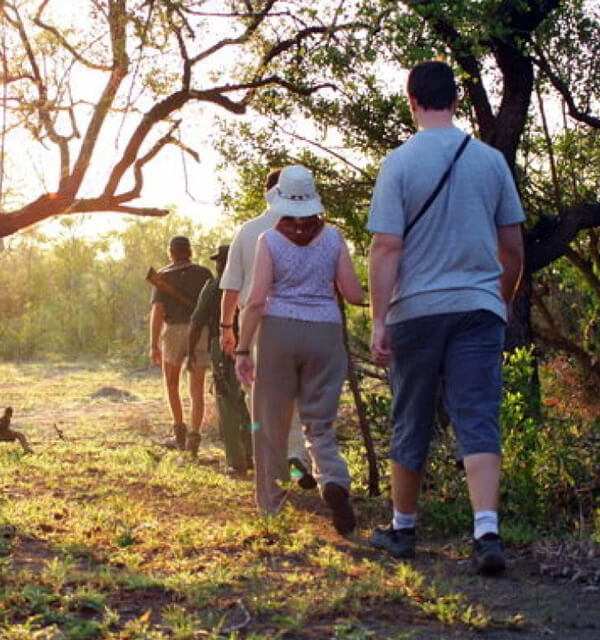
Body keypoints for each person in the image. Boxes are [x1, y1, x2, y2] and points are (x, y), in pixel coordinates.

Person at [367, 60, 525, 574]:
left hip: (416, 309)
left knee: (411, 415)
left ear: (411, 100)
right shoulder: (490, 161)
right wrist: (498, 301)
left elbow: (386, 247)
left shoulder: (398, 165)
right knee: (476, 415)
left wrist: (378, 321)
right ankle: (485, 531)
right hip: (478, 308)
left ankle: (404, 528)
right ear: (456, 100)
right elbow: (513, 250)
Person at [235, 165, 365, 535]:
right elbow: (353, 294)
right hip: (325, 333)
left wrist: (244, 348)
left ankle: (271, 508)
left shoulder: (270, 241)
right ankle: (334, 480)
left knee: (269, 423)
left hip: (278, 332)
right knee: (318, 422)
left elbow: (257, 300)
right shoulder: (334, 237)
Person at [220, 169, 316, 489]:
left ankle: (273, 460)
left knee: (257, 394)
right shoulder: (310, 229)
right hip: (302, 321)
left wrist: (226, 328)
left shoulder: (248, 231)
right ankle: (296, 458)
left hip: (256, 322)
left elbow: (232, 286)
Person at [188, 245, 253, 473]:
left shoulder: (215, 286)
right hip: (252, 344)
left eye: (220, 261)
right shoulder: (251, 280)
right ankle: (252, 453)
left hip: (224, 345)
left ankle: (236, 462)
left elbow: (197, 321)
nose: (218, 265)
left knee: (227, 402)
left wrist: (190, 352)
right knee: (249, 401)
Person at [149, 236, 213, 457]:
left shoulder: (163, 276)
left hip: (174, 330)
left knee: (172, 383)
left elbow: (158, 311)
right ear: (190, 251)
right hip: (200, 330)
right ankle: (194, 436)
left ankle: (179, 432)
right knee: (197, 389)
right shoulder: (204, 273)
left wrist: (154, 344)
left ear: (171, 252)